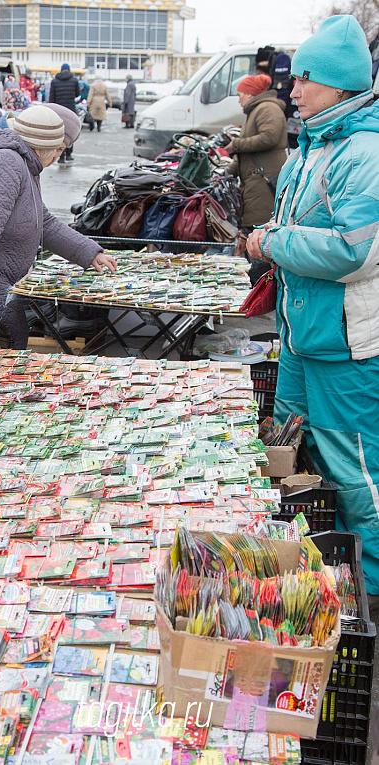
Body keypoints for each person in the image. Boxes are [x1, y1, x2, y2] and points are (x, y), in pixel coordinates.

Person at [246, 15, 379, 599]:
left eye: (305, 79)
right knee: (293, 455)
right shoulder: (314, 145)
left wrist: (270, 242)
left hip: (345, 346)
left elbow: (355, 251)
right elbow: (297, 227)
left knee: (354, 473)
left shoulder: (365, 152)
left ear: (340, 85)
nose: (292, 89)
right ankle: (312, 568)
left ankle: (369, 585)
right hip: (302, 337)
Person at [0, 105, 116, 349]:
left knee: (11, 347)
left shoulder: (25, 164)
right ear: (44, 147)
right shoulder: (5, 164)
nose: (59, 155)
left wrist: (88, 251)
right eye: (59, 149)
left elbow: (43, 222)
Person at [224, 73, 287, 283]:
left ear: (251, 93)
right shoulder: (256, 111)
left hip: (263, 182)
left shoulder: (267, 108)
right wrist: (227, 171)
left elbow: (269, 137)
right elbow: (247, 154)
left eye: (240, 94)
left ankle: (261, 284)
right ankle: (256, 282)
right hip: (256, 181)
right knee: (253, 229)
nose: (239, 99)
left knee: (259, 230)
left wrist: (237, 145)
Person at [48, 63, 81, 161]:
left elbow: (51, 97)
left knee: (58, 133)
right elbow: (77, 94)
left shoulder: (54, 81)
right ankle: (69, 154)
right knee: (70, 132)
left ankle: (60, 156)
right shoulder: (74, 80)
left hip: (58, 111)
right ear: (69, 70)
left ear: (61, 70)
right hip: (70, 109)